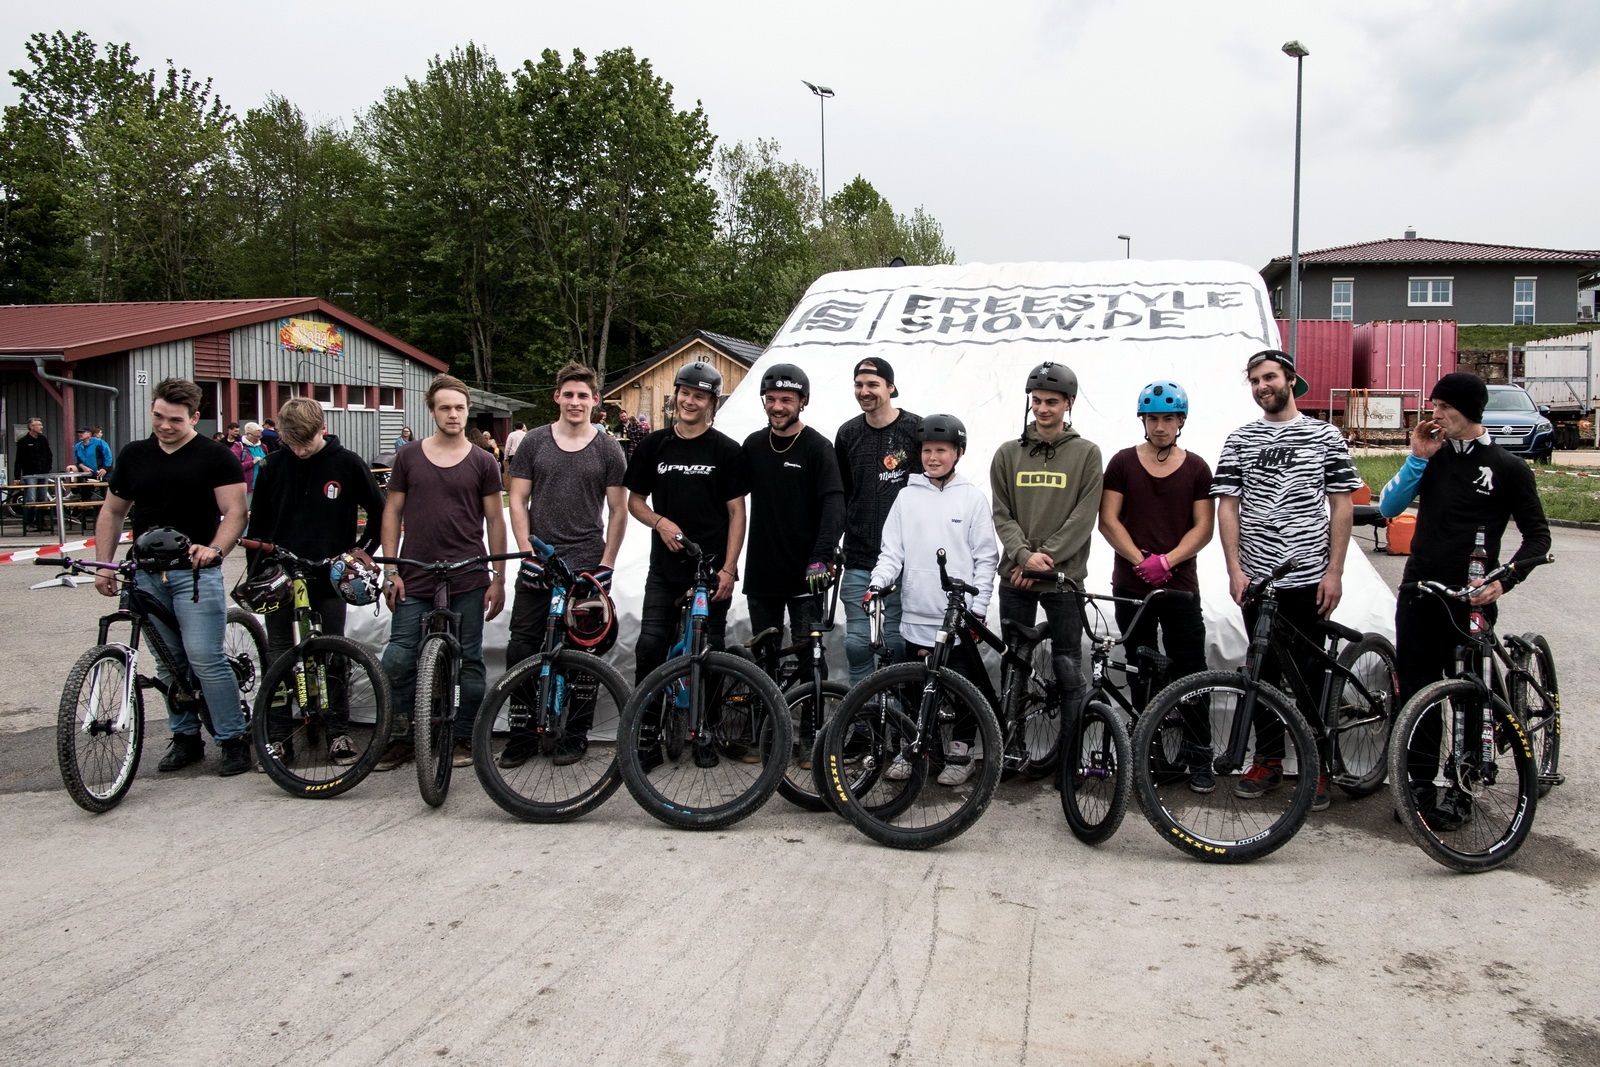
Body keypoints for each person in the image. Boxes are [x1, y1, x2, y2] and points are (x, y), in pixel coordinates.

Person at [1379, 371, 1551, 829]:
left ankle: (1463, 786)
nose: (1434, 415)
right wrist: (1416, 458)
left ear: (1469, 410)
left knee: (1470, 693)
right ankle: (1417, 785)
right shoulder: (1430, 457)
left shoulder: (1508, 467)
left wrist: (1505, 581)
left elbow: (1538, 538)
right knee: (1417, 690)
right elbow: (1389, 508)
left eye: (1443, 407)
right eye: (1433, 406)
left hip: (1472, 596)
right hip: (1420, 590)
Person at [1212, 348, 1361, 809]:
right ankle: (1268, 761)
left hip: (1308, 578)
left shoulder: (1325, 435)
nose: (1263, 386)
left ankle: (1318, 767)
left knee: (1310, 676)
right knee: (1261, 672)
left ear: (1291, 379)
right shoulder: (1240, 439)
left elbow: (1341, 504)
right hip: (1257, 582)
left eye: (1270, 377)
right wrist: (1234, 569)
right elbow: (1228, 506)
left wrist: (1335, 571)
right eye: (1255, 380)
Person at [92, 378, 251, 775]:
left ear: (194, 418)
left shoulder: (216, 456)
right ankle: (185, 738)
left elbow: (235, 512)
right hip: (145, 575)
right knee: (168, 662)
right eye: (158, 416)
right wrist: (104, 564)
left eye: (175, 420)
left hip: (195, 574)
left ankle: (233, 739)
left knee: (205, 658)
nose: (164, 426)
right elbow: (112, 511)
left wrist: (215, 549)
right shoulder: (134, 455)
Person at [376, 374, 509, 772]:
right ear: (432, 411)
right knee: (398, 658)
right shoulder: (408, 457)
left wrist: (498, 576)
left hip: (468, 574)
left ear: (468, 411)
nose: (453, 414)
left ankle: (464, 735)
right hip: (415, 574)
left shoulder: (483, 461)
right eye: (445, 407)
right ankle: (403, 736)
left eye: (460, 408)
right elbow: (391, 512)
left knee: (469, 659)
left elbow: (495, 520)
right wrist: (391, 569)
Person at [246, 396, 386, 767]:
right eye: (291, 443)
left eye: (305, 442)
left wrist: (362, 551)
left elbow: (380, 511)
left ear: (322, 428)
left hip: (329, 575)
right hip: (281, 575)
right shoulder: (272, 466)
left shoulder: (347, 463)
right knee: (279, 653)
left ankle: (337, 732)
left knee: (333, 651)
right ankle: (278, 736)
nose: (299, 450)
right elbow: (257, 526)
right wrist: (259, 572)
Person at [502, 364, 628, 767]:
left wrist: (607, 563)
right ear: (557, 396)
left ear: (595, 400)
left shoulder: (608, 448)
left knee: (584, 651)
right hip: (540, 560)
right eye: (569, 394)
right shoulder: (534, 441)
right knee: (522, 646)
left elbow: (619, 509)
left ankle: (575, 733)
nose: (576, 402)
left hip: (587, 564)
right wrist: (526, 552)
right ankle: (521, 733)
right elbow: (517, 499)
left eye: (583, 396)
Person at [867, 414, 999, 786]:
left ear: (959, 453)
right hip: (916, 613)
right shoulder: (906, 497)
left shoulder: (972, 498)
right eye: (927, 450)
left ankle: (961, 752)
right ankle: (914, 749)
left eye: (941, 450)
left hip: (957, 618)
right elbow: (892, 552)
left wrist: (979, 607)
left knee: (962, 689)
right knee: (913, 688)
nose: (933, 457)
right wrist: (877, 583)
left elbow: (986, 558)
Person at [1098, 381, 1216, 791]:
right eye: (1153, 419)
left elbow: (1204, 527)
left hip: (1180, 584)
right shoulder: (1122, 463)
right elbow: (1108, 520)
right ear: (1143, 421)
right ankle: (1150, 754)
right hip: (1132, 585)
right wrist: (1140, 561)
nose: (1160, 427)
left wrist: (1167, 561)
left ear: (1181, 421)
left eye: (1168, 418)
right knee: (1141, 668)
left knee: (1191, 668)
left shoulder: (1197, 468)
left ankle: (1199, 755)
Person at [990, 361, 1101, 743]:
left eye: (1051, 401)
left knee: (1068, 666)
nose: (1042, 408)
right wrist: (1024, 557)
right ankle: (1012, 749)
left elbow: (1083, 517)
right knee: (1013, 667)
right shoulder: (1007, 454)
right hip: (1017, 577)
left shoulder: (1087, 454)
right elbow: (1002, 513)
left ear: (1069, 403)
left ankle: (1068, 755)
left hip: (1063, 579)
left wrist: (1040, 563)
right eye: (1036, 401)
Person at [624, 360, 746, 683]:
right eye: (685, 393)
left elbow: (737, 513)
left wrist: (729, 569)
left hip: (712, 569)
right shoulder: (654, 445)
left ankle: (709, 715)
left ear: (712, 403)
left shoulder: (727, 450)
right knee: (650, 646)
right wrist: (659, 522)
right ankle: (647, 716)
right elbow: (634, 502)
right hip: (665, 568)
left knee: (711, 650)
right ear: (676, 395)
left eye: (699, 396)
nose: (690, 401)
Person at [740, 363, 846, 679]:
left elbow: (835, 506)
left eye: (786, 400)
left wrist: (821, 557)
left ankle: (811, 714)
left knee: (809, 656)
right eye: (771, 399)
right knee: (763, 658)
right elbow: (729, 501)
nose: (777, 407)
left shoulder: (818, 447)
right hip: (761, 574)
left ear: (803, 401)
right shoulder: (753, 445)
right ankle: (767, 712)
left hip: (806, 574)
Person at [835, 358, 922, 685]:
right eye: (859, 385)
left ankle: (898, 715)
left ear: (890, 387)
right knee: (857, 644)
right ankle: (861, 716)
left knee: (897, 644)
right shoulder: (847, 434)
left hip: (904, 559)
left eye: (872, 384)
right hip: (858, 555)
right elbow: (841, 495)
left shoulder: (916, 429)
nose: (864, 391)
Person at [12, 417, 53, 531]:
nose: (41, 427)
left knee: (43, 498)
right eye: (38, 425)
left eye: (41, 424)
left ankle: (41, 522)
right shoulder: (23, 441)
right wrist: (16, 476)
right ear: (31, 427)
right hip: (30, 474)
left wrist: (48, 468)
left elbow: (49, 454)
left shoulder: (43, 440)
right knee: (31, 498)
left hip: (43, 473)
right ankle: (28, 522)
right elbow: (18, 460)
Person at [66, 426, 113, 500]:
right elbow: (77, 460)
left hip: (101, 471)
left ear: (89, 434)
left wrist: (105, 468)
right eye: (79, 433)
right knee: (70, 468)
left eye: (82, 432)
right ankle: (75, 492)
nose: (80, 434)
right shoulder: (78, 446)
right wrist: (83, 467)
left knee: (106, 490)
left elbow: (108, 456)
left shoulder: (99, 443)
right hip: (87, 472)